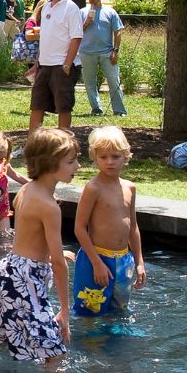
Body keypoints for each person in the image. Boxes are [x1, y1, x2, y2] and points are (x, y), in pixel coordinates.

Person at [0, 128, 76, 364]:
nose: (78, 167)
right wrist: (65, 311)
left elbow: (28, 235)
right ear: (51, 164)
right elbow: (58, 265)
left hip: (9, 268)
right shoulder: (50, 206)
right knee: (54, 351)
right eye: (72, 161)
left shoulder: (25, 190)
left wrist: (49, 253)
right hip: (26, 277)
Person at [71, 126, 147, 319]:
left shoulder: (130, 187)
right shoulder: (93, 188)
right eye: (103, 157)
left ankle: (117, 337)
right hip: (96, 258)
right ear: (94, 157)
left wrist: (139, 262)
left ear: (126, 156)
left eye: (115, 156)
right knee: (90, 308)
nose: (109, 162)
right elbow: (80, 228)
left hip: (123, 259)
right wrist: (96, 262)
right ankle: (92, 343)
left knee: (119, 308)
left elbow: (133, 227)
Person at [26, 0, 82, 133]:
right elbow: (45, 38)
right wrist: (37, 64)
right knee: (37, 105)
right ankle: (32, 146)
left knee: (63, 107)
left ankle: (63, 148)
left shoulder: (71, 8)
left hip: (62, 65)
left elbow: (76, 37)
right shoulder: (46, 6)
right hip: (44, 65)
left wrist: (67, 65)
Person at [79, 0, 127, 117]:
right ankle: (96, 109)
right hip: (86, 53)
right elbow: (75, 32)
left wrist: (115, 51)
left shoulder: (110, 12)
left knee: (113, 81)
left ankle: (119, 110)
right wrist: (85, 23)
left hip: (107, 53)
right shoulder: (82, 12)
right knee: (90, 83)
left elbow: (118, 32)